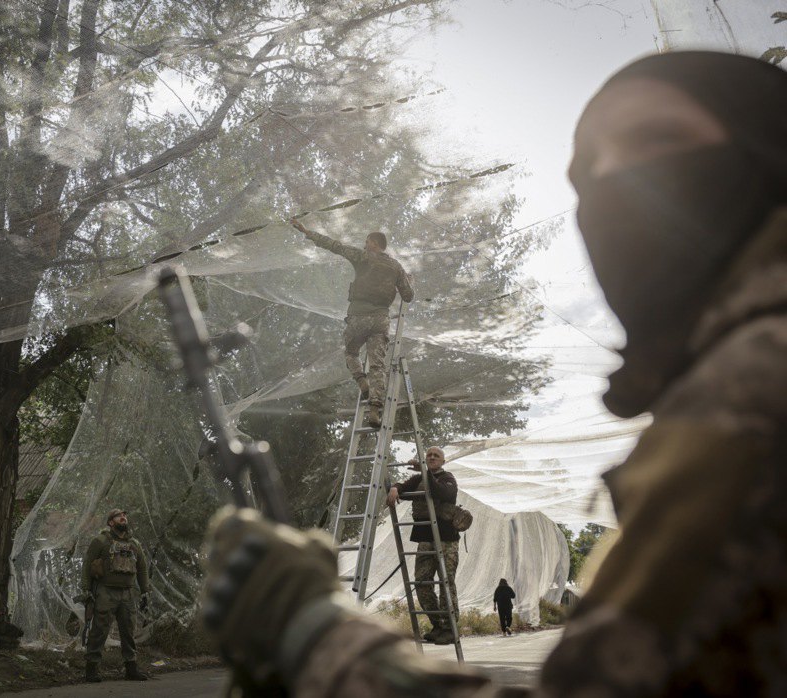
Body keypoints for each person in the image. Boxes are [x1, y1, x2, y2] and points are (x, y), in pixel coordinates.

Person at [202, 51, 787, 696]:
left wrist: (316, 639)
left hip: (379, 340)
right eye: (588, 175)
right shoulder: (714, 378)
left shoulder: (752, 386)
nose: (617, 183)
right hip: (363, 328)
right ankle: (371, 397)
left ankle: (377, 410)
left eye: (657, 140)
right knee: (356, 362)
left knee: (368, 369)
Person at [290, 217, 414, 428]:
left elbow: (335, 246)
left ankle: (362, 382)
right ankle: (375, 409)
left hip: (358, 317)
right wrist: (410, 283)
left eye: (367, 242)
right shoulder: (396, 267)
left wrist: (307, 232)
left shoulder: (363, 257)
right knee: (377, 365)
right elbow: (408, 296)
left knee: (351, 352)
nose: (365, 245)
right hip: (381, 321)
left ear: (374, 243)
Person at [385, 446, 460, 644]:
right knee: (422, 582)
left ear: (443, 461)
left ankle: (450, 628)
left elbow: (442, 492)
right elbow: (403, 486)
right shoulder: (419, 479)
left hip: (446, 540)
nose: (432, 457)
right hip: (425, 540)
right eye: (429, 455)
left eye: (437, 456)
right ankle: (437, 625)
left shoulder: (447, 478)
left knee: (446, 582)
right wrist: (395, 487)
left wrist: (424, 471)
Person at [79, 508, 151, 682]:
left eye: (125, 515)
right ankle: (91, 670)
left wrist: (145, 591)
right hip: (105, 592)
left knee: (129, 631)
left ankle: (131, 669)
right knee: (99, 630)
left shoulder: (134, 544)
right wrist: (86, 589)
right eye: (119, 516)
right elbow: (88, 564)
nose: (123, 517)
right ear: (111, 522)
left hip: (128, 593)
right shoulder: (101, 541)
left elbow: (142, 568)